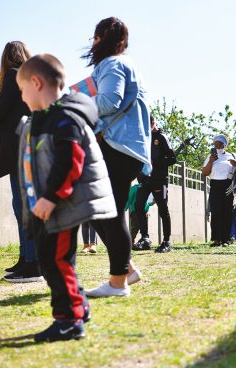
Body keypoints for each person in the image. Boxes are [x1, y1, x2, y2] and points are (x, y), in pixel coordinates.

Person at [15, 54, 117, 341]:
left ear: (36, 83)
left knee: (55, 261)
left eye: (23, 90)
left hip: (62, 204)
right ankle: (78, 306)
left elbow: (71, 160)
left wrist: (51, 197)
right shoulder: (46, 118)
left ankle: (69, 320)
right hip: (54, 206)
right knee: (56, 261)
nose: (22, 98)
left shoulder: (64, 117)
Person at [81, 17, 151, 297]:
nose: (92, 43)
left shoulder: (112, 64)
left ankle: (118, 282)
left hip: (117, 146)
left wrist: (76, 103)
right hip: (128, 148)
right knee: (98, 209)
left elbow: (110, 101)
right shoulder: (125, 64)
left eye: (94, 38)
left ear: (100, 38)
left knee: (109, 211)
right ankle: (126, 269)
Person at [0, 41, 41, 282]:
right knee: (21, 205)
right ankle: (26, 258)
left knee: (23, 206)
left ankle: (33, 264)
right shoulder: (28, 77)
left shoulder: (16, 75)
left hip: (20, 148)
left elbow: (1, 110)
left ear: (7, 58)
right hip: (26, 146)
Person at [133, 116, 176, 253]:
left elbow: (172, 158)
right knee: (138, 205)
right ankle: (145, 238)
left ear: (153, 123)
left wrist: (156, 162)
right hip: (144, 179)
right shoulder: (141, 137)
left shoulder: (161, 137)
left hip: (159, 179)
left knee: (162, 208)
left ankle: (166, 241)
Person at [202, 134, 236, 247]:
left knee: (227, 212)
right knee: (216, 212)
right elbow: (205, 173)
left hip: (228, 185)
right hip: (215, 184)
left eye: (220, 143)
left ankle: (226, 239)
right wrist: (211, 161)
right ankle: (216, 239)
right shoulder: (210, 157)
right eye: (215, 143)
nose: (217, 145)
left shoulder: (232, 155)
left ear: (225, 144)